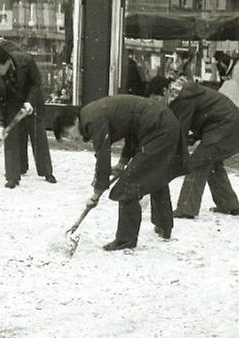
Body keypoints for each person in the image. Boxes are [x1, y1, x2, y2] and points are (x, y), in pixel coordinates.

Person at [53, 96, 187, 251]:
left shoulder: (92, 120)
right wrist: (122, 162)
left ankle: (126, 239)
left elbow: (103, 156)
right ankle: (164, 226)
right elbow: (131, 130)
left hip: (158, 129)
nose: (72, 138)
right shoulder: (92, 113)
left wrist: (96, 193)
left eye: (67, 134)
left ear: (75, 121)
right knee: (153, 174)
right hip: (162, 125)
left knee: (127, 187)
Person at [147, 76, 239, 218]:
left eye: (156, 100)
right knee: (212, 164)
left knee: (196, 164)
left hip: (225, 127)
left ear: (165, 91)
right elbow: (203, 114)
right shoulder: (181, 93)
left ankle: (186, 208)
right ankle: (228, 204)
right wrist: (193, 137)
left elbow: (179, 129)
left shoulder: (180, 98)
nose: (157, 104)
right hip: (225, 125)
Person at [0, 46, 55, 188]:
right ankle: (12, 176)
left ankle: (46, 171)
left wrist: (29, 101)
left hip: (32, 101)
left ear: (7, 62)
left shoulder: (26, 60)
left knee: (38, 136)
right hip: (10, 104)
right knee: (11, 138)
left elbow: (36, 83)